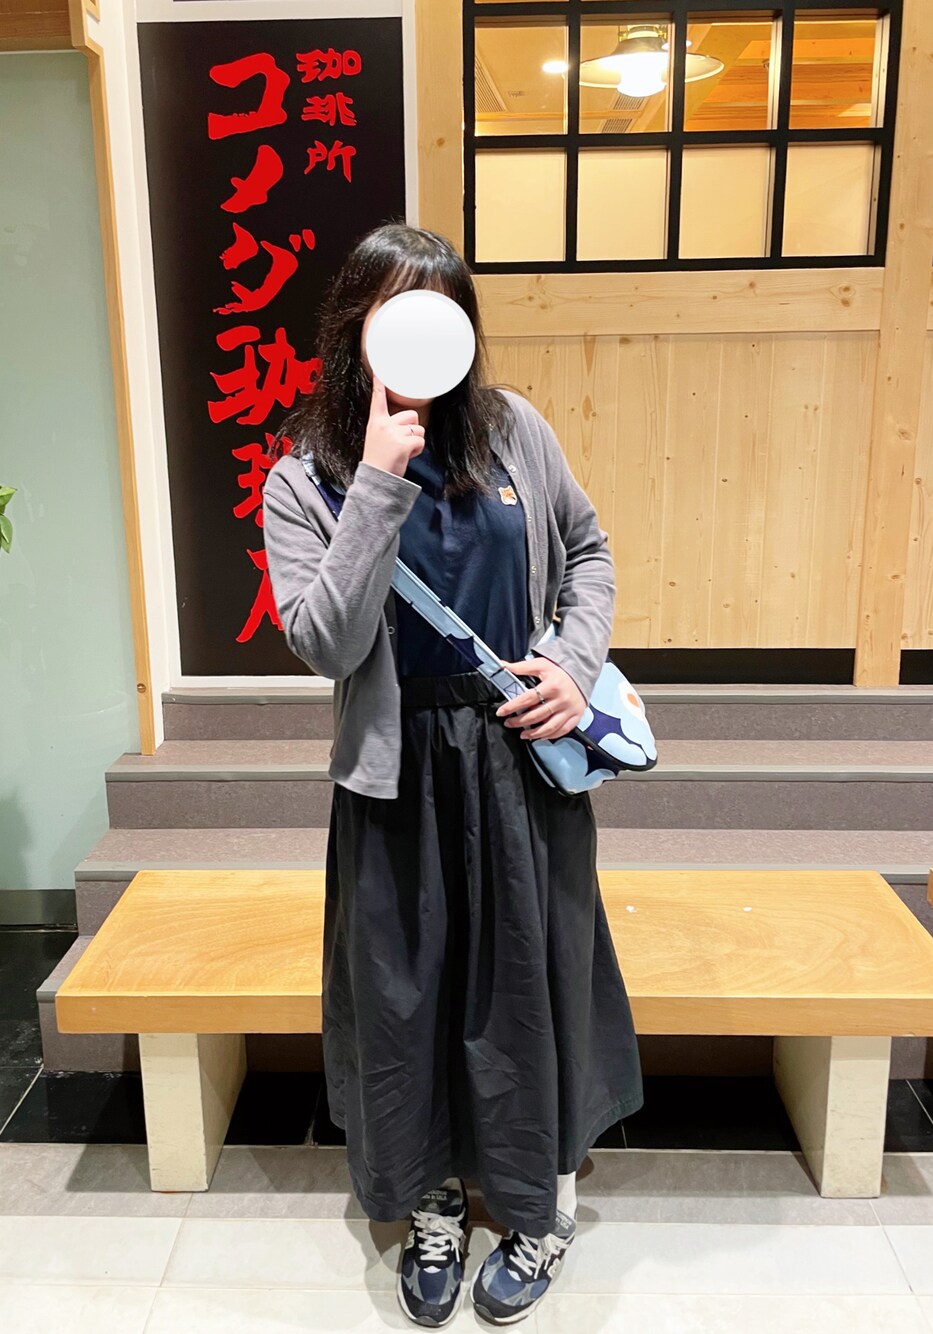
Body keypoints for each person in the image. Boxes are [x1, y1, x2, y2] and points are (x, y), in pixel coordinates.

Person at [262, 222, 644, 1327]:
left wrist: (572, 665)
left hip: (518, 758)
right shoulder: (306, 474)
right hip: (396, 778)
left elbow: (588, 552)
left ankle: (537, 1207)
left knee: (528, 988)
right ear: (356, 328)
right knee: (406, 998)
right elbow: (325, 641)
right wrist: (379, 482)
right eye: (398, 313)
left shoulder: (514, 428)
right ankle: (432, 1198)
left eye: (445, 313)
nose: (427, 336)